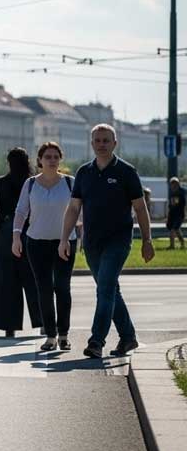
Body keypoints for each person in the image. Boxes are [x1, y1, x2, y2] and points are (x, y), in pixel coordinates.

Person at [61, 124, 155, 358]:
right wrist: (65, 238)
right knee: (110, 289)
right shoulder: (84, 172)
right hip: (92, 242)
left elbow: (140, 208)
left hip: (119, 240)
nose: (101, 144)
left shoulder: (126, 171)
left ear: (115, 143)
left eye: (106, 140)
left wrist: (147, 239)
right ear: (91, 143)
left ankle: (96, 341)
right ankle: (128, 337)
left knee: (104, 289)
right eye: (97, 140)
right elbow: (73, 208)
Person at [13, 142, 78, 352]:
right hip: (36, 242)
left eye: (55, 157)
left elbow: (80, 213)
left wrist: (78, 236)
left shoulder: (70, 183)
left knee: (62, 287)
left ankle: (64, 335)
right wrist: (16, 237)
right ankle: (50, 335)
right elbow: (21, 212)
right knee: (44, 289)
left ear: (60, 159)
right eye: (47, 157)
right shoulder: (30, 184)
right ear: (39, 160)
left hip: (65, 241)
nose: (51, 160)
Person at [0, 148, 43, 338]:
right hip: (33, 233)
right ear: (28, 161)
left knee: (6, 282)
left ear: (8, 162)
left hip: (6, 235)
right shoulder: (35, 182)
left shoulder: (1, 183)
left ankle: (9, 326)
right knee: (35, 280)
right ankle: (43, 321)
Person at [167, 177, 186, 249]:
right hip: (173, 214)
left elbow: (177, 204)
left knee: (173, 229)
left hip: (179, 214)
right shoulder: (172, 192)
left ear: (177, 184)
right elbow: (171, 205)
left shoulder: (181, 192)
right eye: (171, 184)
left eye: (174, 184)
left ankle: (172, 246)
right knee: (177, 230)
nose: (172, 186)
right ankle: (183, 243)